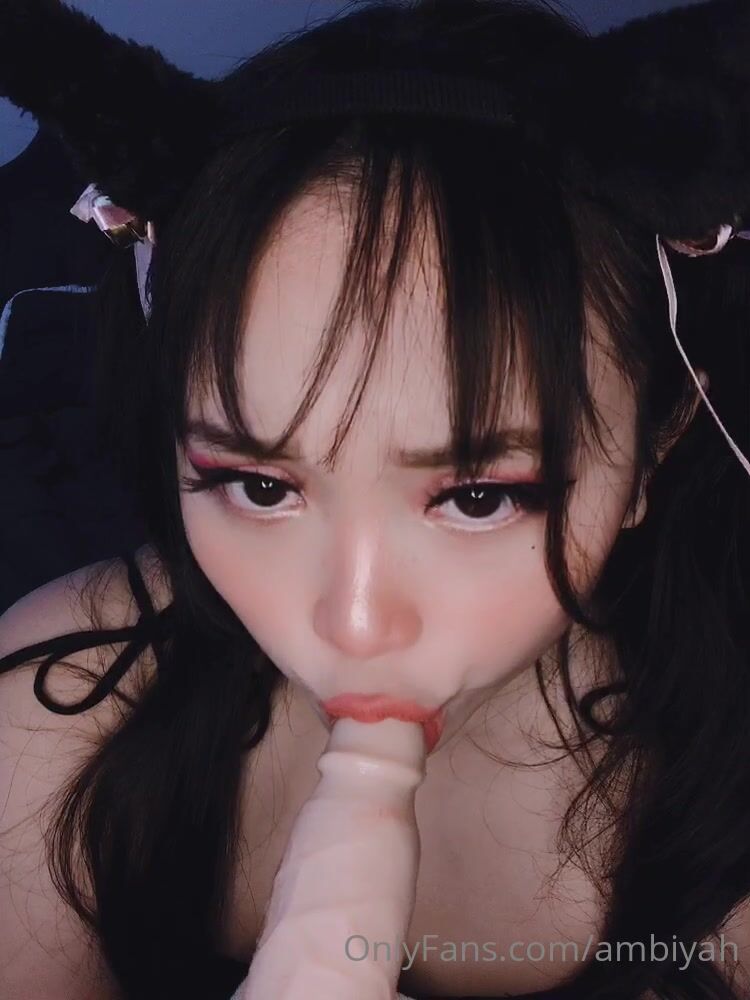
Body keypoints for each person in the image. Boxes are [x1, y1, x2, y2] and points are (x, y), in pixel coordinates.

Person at [0, 0, 749, 998]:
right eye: (259, 485)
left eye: (478, 498)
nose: (353, 622)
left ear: (659, 441)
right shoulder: (55, 718)